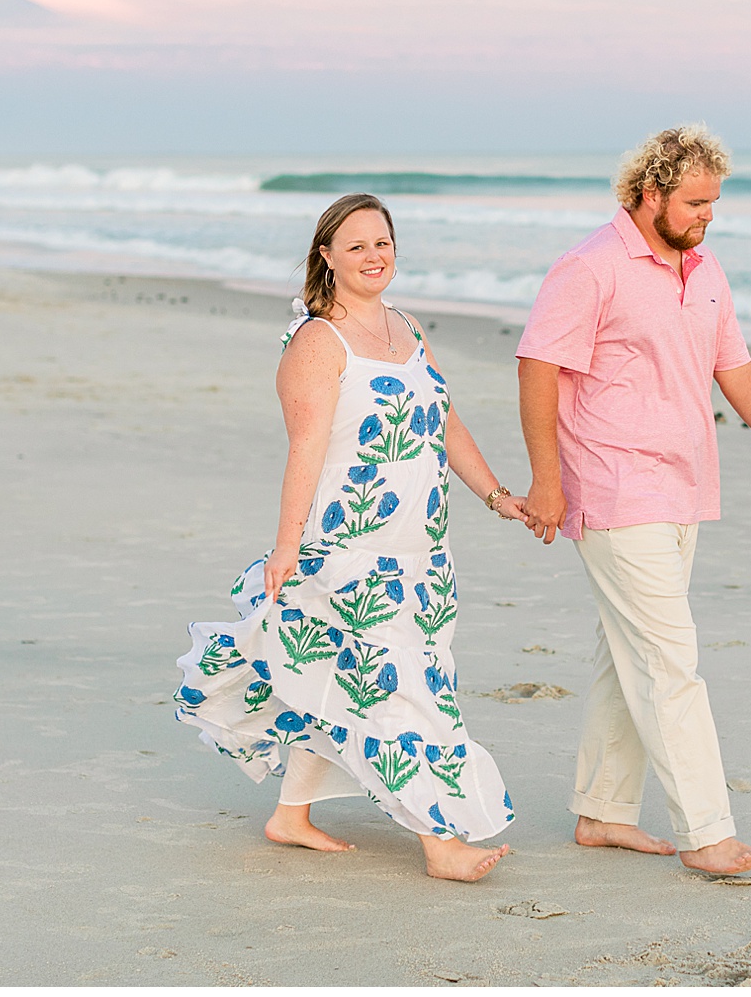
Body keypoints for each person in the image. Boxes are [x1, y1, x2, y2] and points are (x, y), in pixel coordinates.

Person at [175, 193, 529, 882]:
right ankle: (441, 841)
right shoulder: (318, 341)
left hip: (422, 549)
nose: (374, 255)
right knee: (397, 690)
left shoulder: (407, 327)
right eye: (357, 244)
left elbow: (445, 421)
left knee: (340, 683)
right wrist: (287, 546)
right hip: (352, 552)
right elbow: (305, 448)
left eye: (383, 242)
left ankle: (291, 816)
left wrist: (494, 495)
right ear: (327, 256)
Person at [514, 125, 751, 876]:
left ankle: (602, 810)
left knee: (627, 655)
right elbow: (536, 367)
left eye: (714, 202)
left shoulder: (705, 267)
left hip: (684, 485)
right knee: (668, 660)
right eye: (694, 202)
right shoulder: (590, 267)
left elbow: (735, 366)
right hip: (614, 484)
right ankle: (707, 832)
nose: (707, 215)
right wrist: (547, 482)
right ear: (649, 194)